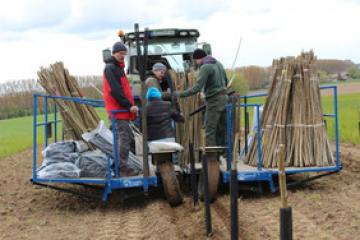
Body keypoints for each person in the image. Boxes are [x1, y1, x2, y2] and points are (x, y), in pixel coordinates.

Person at [176, 49, 228, 146]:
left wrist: (180, 94)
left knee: (209, 129)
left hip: (214, 101)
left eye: (195, 60)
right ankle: (224, 153)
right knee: (223, 128)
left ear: (198, 58)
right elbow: (226, 80)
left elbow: (197, 87)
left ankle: (212, 158)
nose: (196, 63)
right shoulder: (219, 64)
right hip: (224, 98)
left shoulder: (205, 67)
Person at [103, 41, 139, 176]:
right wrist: (129, 106)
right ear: (113, 53)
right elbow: (115, 91)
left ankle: (116, 165)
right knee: (124, 137)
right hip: (118, 110)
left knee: (125, 136)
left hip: (121, 109)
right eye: (120, 53)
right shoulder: (111, 68)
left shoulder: (118, 68)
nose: (122, 55)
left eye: (124, 53)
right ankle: (122, 168)